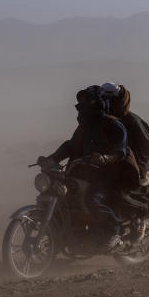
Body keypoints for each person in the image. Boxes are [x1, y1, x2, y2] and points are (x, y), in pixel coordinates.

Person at [39, 85, 131, 250]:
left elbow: (120, 152)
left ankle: (113, 232)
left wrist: (104, 158)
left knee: (91, 199)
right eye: (80, 104)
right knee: (62, 197)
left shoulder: (113, 125)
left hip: (109, 176)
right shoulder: (83, 129)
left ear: (97, 104)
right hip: (83, 174)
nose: (81, 108)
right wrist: (51, 158)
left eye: (86, 103)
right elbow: (70, 146)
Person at [101, 82, 149, 184]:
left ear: (118, 99)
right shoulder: (100, 120)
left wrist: (132, 161)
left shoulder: (132, 120)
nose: (106, 102)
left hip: (134, 166)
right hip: (109, 164)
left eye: (109, 98)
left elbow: (147, 149)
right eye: (103, 98)